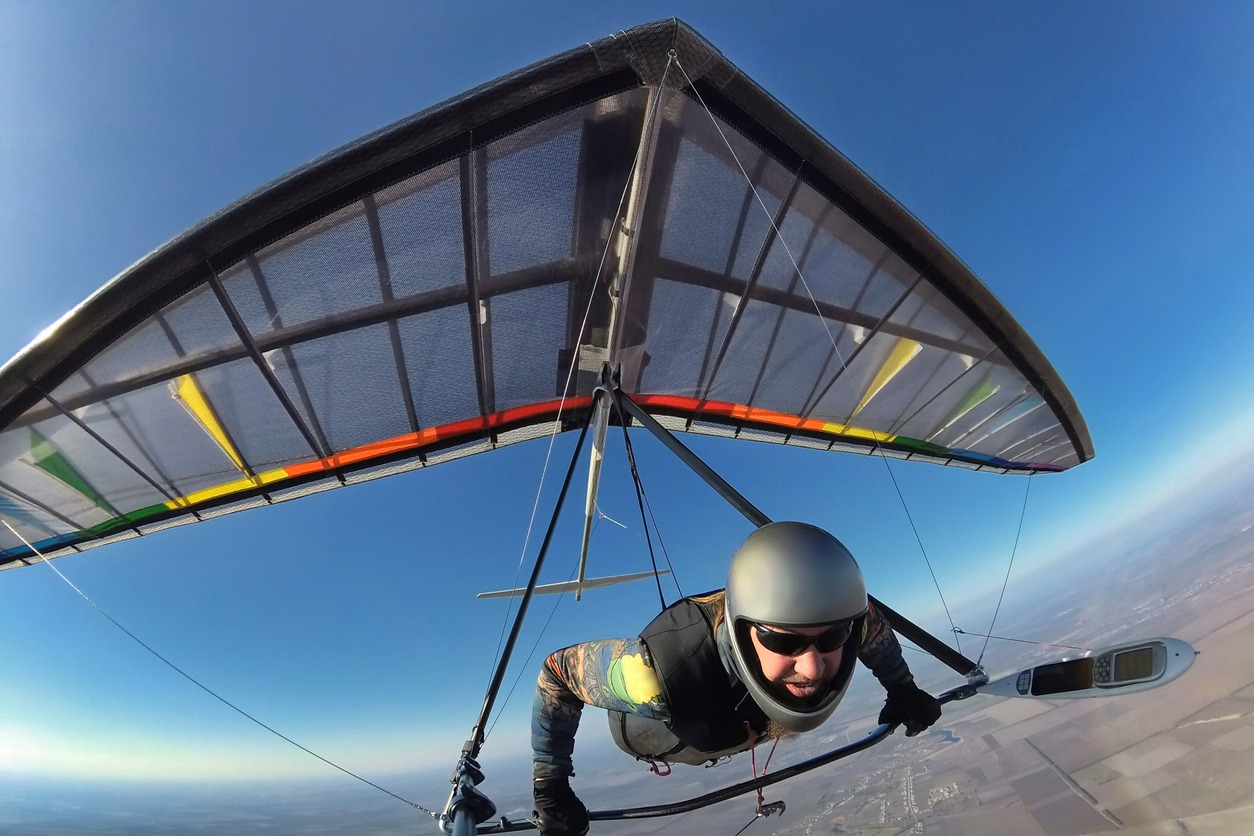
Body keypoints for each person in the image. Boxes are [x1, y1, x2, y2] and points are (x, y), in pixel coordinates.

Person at [531, 522, 943, 835]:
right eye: (785, 642)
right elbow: (557, 672)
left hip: (728, 723)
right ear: (745, 629)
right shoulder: (652, 675)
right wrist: (550, 782)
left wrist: (902, 688)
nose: (813, 668)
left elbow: (871, 627)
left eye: (831, 636)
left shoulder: (849, 620)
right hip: (655, 729)